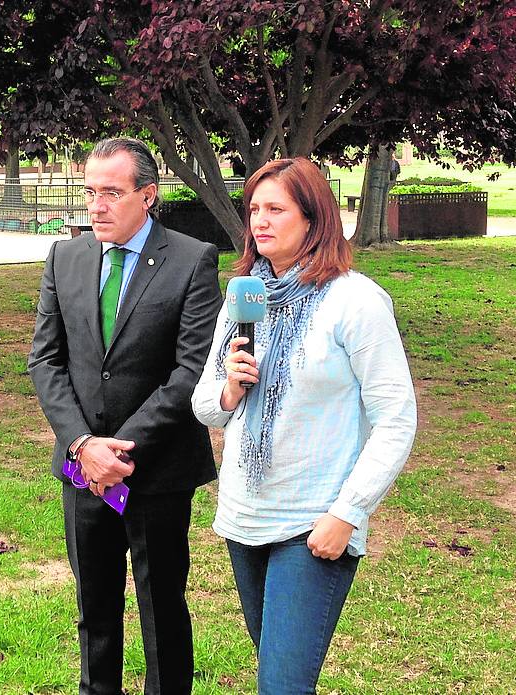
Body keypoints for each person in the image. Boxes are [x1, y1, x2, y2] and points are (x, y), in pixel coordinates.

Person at [191, 157, 417, 693]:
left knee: (283, 687)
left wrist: (348, 513)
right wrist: (229, 388)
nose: (259, 221)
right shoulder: (243, 295)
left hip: (315, 525)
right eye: (253, 210)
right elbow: (205, 406)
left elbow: (396, 419)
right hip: (244, 518)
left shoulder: (356, 301)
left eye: (276, 209)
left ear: (314, 219)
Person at [29, 137, 222, 694]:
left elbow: (189, 372)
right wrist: (83, 446)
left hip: (158, 471)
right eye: (90, 192)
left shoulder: (191, 260)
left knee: (162, 609)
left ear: (149, 196)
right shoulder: (65, 257)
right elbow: (45, 360)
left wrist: (120, 447)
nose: (96, 206)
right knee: (95, 610)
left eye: (111, 193)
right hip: (83, 468)